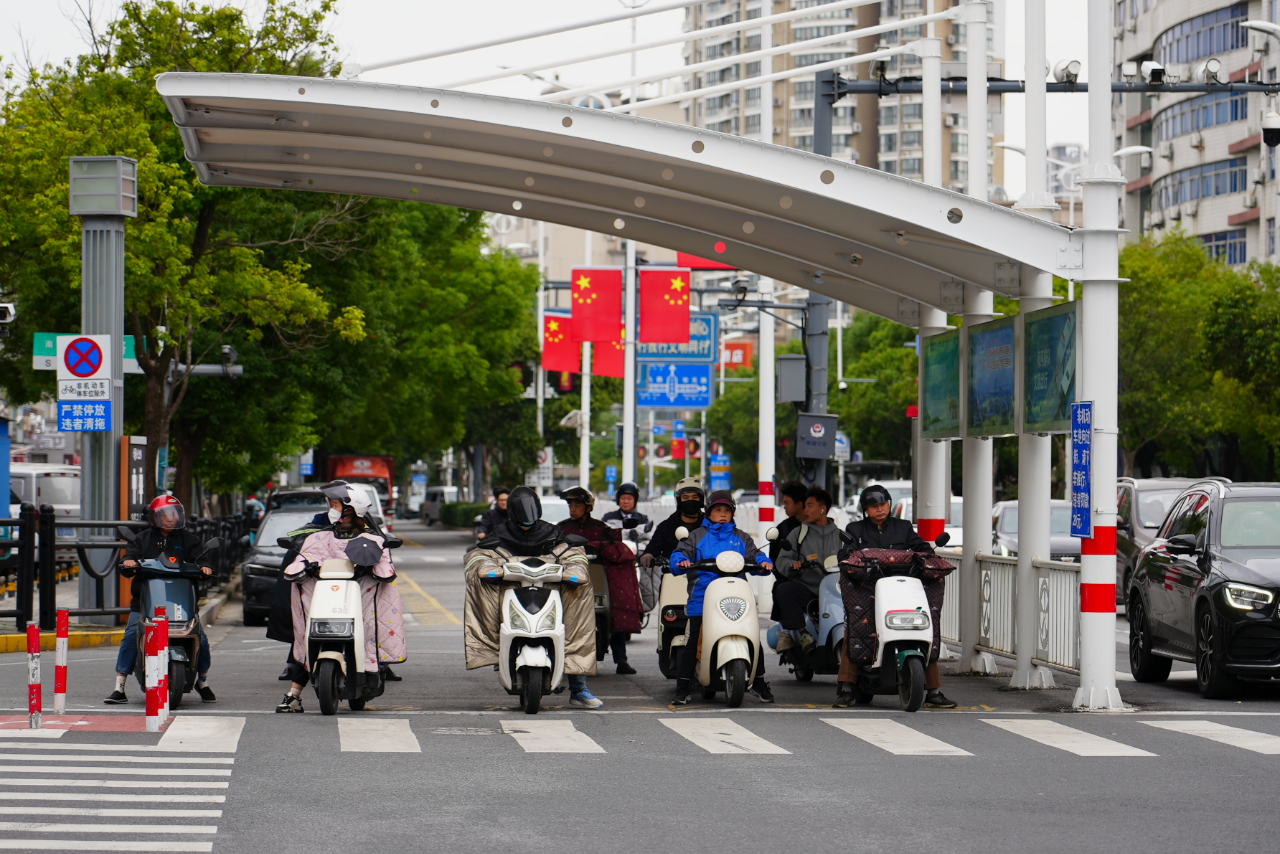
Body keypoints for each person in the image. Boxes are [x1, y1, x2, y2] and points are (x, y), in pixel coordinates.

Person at [464, 486, 604, 709]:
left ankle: (578, 688)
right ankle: (492, 649)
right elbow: (480, 554)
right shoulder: (499, 532)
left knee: (576, 617)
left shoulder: (552, 531)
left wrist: (575, 567)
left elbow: (570, 552)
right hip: (511, 589)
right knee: (481, 591)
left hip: (550, 588)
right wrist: (484, 566)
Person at [275, 482, 407, 713]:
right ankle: (294, 694)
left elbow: (385, 568)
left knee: (367, 635)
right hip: (323, 599)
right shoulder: (317, 537)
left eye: (335, 504)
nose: (331, 508)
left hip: (358, 603)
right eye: (331, 504)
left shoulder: (374, 539)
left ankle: (368, 673)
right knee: (309, 638)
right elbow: (302, 558)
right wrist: (303, 567)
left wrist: (374, 567)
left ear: (351, 508)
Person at [835, 483, 957, 709]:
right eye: (873, 506)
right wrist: (850, 554)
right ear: (865, 509)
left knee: (925, 628)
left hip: (903, 589)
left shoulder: (903, 527)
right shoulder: (854, 530)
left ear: (889, 504)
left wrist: (930, 555)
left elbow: (922, 549)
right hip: (868, 590)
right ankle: (846, 689)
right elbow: (844, 554)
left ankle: (933, 691)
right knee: (855, 628)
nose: (879, 509)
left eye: (882, 504)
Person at [105, 496, 216, 705]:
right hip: (146, 601)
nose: (170, 518)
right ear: (155, 516)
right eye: (165, 514)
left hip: (181, 601)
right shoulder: (142, 539)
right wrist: (128, 561)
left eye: (174, 514)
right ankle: (119, 685)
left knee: (200, 638)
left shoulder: (189, 539)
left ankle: (202, 681)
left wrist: (204, 566)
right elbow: (130, 554)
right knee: (131, 635)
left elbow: (202, 557)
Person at [670, 490, 775, 705]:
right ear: (708, 512)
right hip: (703, 598)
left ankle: (759, 681)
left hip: (736, 596)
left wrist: (764, 563)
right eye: (718, 509)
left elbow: (756, 555)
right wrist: (681, 561)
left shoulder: (741, 537)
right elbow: (680, 554)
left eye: (727, 510)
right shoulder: (697, 535)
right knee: (693, 639)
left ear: (733, 512)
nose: (723, 514)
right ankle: (682, 687)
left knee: (753, 636)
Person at [559, 486, 644, 675]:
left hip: (598, 577)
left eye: (577, 504)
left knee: (617, 606)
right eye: (570, 505)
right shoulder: (561, 528)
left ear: (588, 507)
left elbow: (615, 548)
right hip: (570, 579)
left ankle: (621, 660)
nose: (573, 508)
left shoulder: (601, 528)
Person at [772, 486, 842, 654]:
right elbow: (782, 559)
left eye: (810, 505)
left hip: (836, 592)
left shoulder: (841, 536)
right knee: (784, 589)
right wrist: (791, 565)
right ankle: (803, 634)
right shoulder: (798, 533)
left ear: (823, 509)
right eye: (805, 505)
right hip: (808, 590)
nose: (806, 510)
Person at [602, 482, 651, 553]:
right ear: (618, 499)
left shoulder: (642, 519)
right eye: (623, 498)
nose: (626, 501)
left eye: (629, 499)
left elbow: (647, 540)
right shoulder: (609, 518)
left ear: (635, 500)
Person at [769, 481, 810, 564]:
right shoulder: (782, 528)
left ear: (799, 504)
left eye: (787, 503)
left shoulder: (816, 526)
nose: (785, 507)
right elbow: (774, 558)